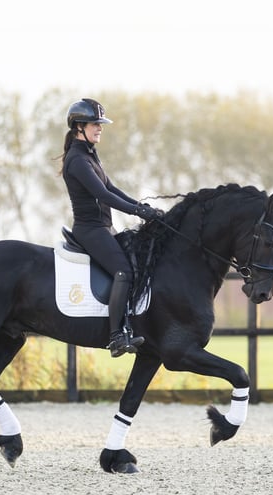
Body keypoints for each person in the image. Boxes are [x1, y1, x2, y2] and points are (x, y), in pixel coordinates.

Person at [60, 98, 161, 357]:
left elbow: (113, 188)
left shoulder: (90, 156)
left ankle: (127, 325)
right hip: (90, 230)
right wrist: (139, 212)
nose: (100, 128)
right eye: (95, 124)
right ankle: (116, 335)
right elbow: (103, 195)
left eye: (100, 124)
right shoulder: (77, 160)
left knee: (134, 265)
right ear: (79, 126)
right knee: (122, 272)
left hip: (104, 228)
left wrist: (142, 207)